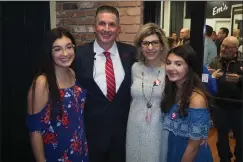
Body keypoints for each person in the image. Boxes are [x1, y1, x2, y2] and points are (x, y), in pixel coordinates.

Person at [75, 5, 136, 162]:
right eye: (102, 23)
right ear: (95, 27)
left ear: (118, 29)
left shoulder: (132, 54)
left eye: (112, 24)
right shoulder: (78, 56)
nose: (106, 29)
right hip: (90, 138)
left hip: (122, 139)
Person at [26, 27, 88, 162]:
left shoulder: (72, 73)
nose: (65, 53)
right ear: (49, 52)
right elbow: (35, 131)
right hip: (56, 154)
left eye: (69, 47)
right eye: (57, 49)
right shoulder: (43, 83)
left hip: (79, 150)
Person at [161, 45, 213, 162]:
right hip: (174, 150)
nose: (171, 68)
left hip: (190, 156)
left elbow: (193, 147)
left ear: (189, 68)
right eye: (168, 63)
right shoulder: (173, 91)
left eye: (178, 64)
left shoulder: (196, 99)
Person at [126, 23, 169, 162]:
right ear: (140, 46)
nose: (150, 48)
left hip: (158, 126)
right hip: (134, 125)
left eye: (155, 43)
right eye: (146, 43)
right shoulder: (134, 68)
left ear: (162, 45)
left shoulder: (169, 70)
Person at [209, 36, 243, 162]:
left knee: (240, 136)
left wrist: (240, 79)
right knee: (221, 136)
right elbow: (205, 79)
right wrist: (211, 76)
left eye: (227, 47)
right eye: (222, 45)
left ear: (235, 49)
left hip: (239, 105)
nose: (222, 49)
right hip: (220, 104)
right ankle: (224, 159)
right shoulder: (215, 60)